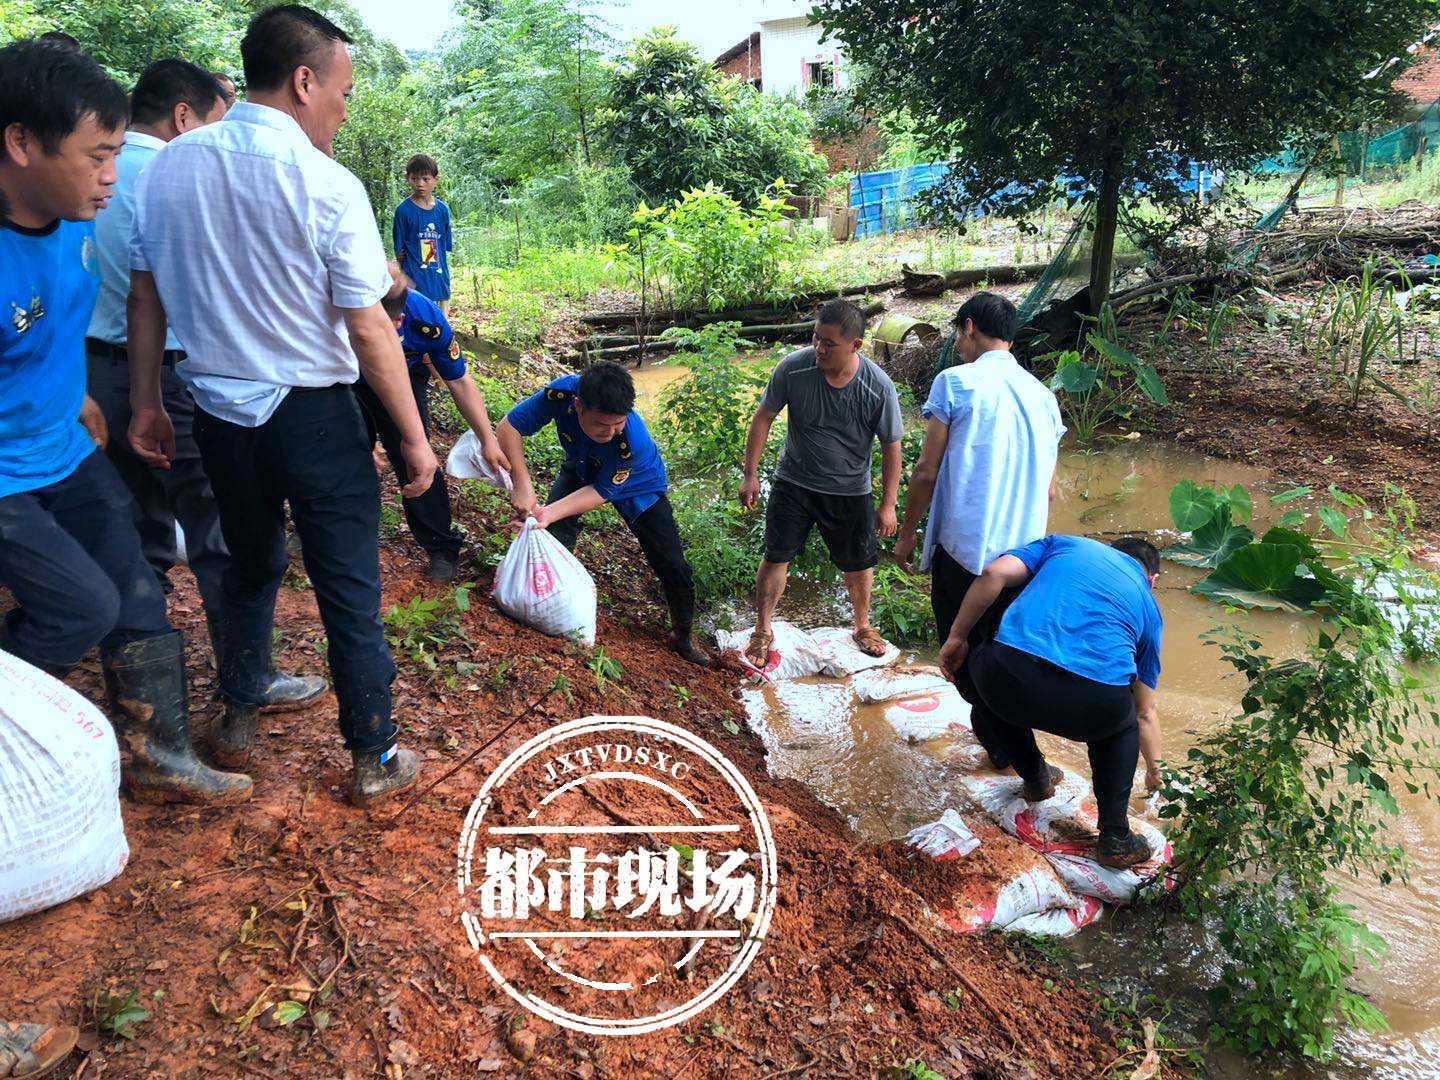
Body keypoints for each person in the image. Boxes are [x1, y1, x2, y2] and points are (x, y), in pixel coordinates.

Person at [127, 4, 438, 806]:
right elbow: (370, 329)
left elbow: (146, 293)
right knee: (347, 584)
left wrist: (148, 402)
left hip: (220, 416)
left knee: (252, 559)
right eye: (341, 88)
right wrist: (412, 436)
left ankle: (238, 710)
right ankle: (374, 757)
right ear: (304, 80)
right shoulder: (326, 182)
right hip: (314, 418)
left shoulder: (170, 165)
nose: (343, 105)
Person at [0, 38, 250, 805]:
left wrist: (73, 392)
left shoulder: (72, 213)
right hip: (6, 479)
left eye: (117, 154)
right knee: (81, 606)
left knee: (137, 592)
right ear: (20, 144)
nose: (113, 177)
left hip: (63, 448)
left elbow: (51, 325)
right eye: (96, 156)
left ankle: (156, 755)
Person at [87, 59, 325, 715]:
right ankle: (247, 679)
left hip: (93, 378)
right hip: (169, 375)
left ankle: (143, 703)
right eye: (215, 124)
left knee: (133, 531)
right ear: (184, 117)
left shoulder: (85, 171)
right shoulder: (174, 177)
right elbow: (162, 295)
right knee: (220, 530)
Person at [894, 291, 1065, 769]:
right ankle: (1003, 750)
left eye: (958, 334)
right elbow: (1049, 490)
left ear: (968, 328)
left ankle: (1025, 761)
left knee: (962, 659)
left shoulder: (956, 383)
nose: (959, 344)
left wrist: (907, 535)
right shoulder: (1044, 397)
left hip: (966, 554)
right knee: (1003, 655)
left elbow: (926, 470)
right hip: (1023, 560)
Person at [939, 535, 1165, 869]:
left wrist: (956, 638)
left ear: (1107, 549)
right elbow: (1145, 711)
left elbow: (992, 574)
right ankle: (1115, 836)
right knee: (1120, 728)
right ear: (1152, 580)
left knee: (985, 669)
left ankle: (1035, 777)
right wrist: (1155, 771)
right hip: (1092, 704)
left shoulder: (1067, 544)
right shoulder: (1149, 607)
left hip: (1010, 678)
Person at [497, 362, 710, 666]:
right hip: (582, 465)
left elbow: (600, 492)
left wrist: (546, 511)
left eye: (618, 423)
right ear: (578, 405)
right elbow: (508, 427)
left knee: (672, 563)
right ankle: (550, 605)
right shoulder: (560, 394)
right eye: (601, 424)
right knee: (555, 536)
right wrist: (523, 482)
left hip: (639, 482)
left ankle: (683, 637)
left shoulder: (629, 442)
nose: (610, 433)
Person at [738, 298, 903, 665]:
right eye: (816, 338)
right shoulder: (793, 369)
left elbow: (892, 446)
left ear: (855, 345)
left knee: (859, 563)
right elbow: (763, 417)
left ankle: (862, 626)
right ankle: (762, 629)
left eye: (829, 343)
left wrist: (888, 504)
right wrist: (750, 474)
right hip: (794, 483)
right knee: (776, 555)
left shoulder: (877, 387)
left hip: (850, 490)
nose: (819, 349)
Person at [357, 267, 508, 582]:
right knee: (337, 448)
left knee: (416, 456)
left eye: (391, 327)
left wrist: (488, 440)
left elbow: (460, 383)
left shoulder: (427, 320)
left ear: (400, 319)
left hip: (404, 378)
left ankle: (441, 546)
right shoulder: (337, 317)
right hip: (347, 376)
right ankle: (325, 530)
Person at [392, 153, 453, 312]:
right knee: (419, 324)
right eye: (414, 179)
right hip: (415, 283)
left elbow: (443, 247)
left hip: (439, 281)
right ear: (408, 178)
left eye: (425, 179)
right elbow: (399, 252)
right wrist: (403, 278)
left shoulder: (443, 210)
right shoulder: (403, 211)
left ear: (436, 179)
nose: (420, 184)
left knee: (441, 326)